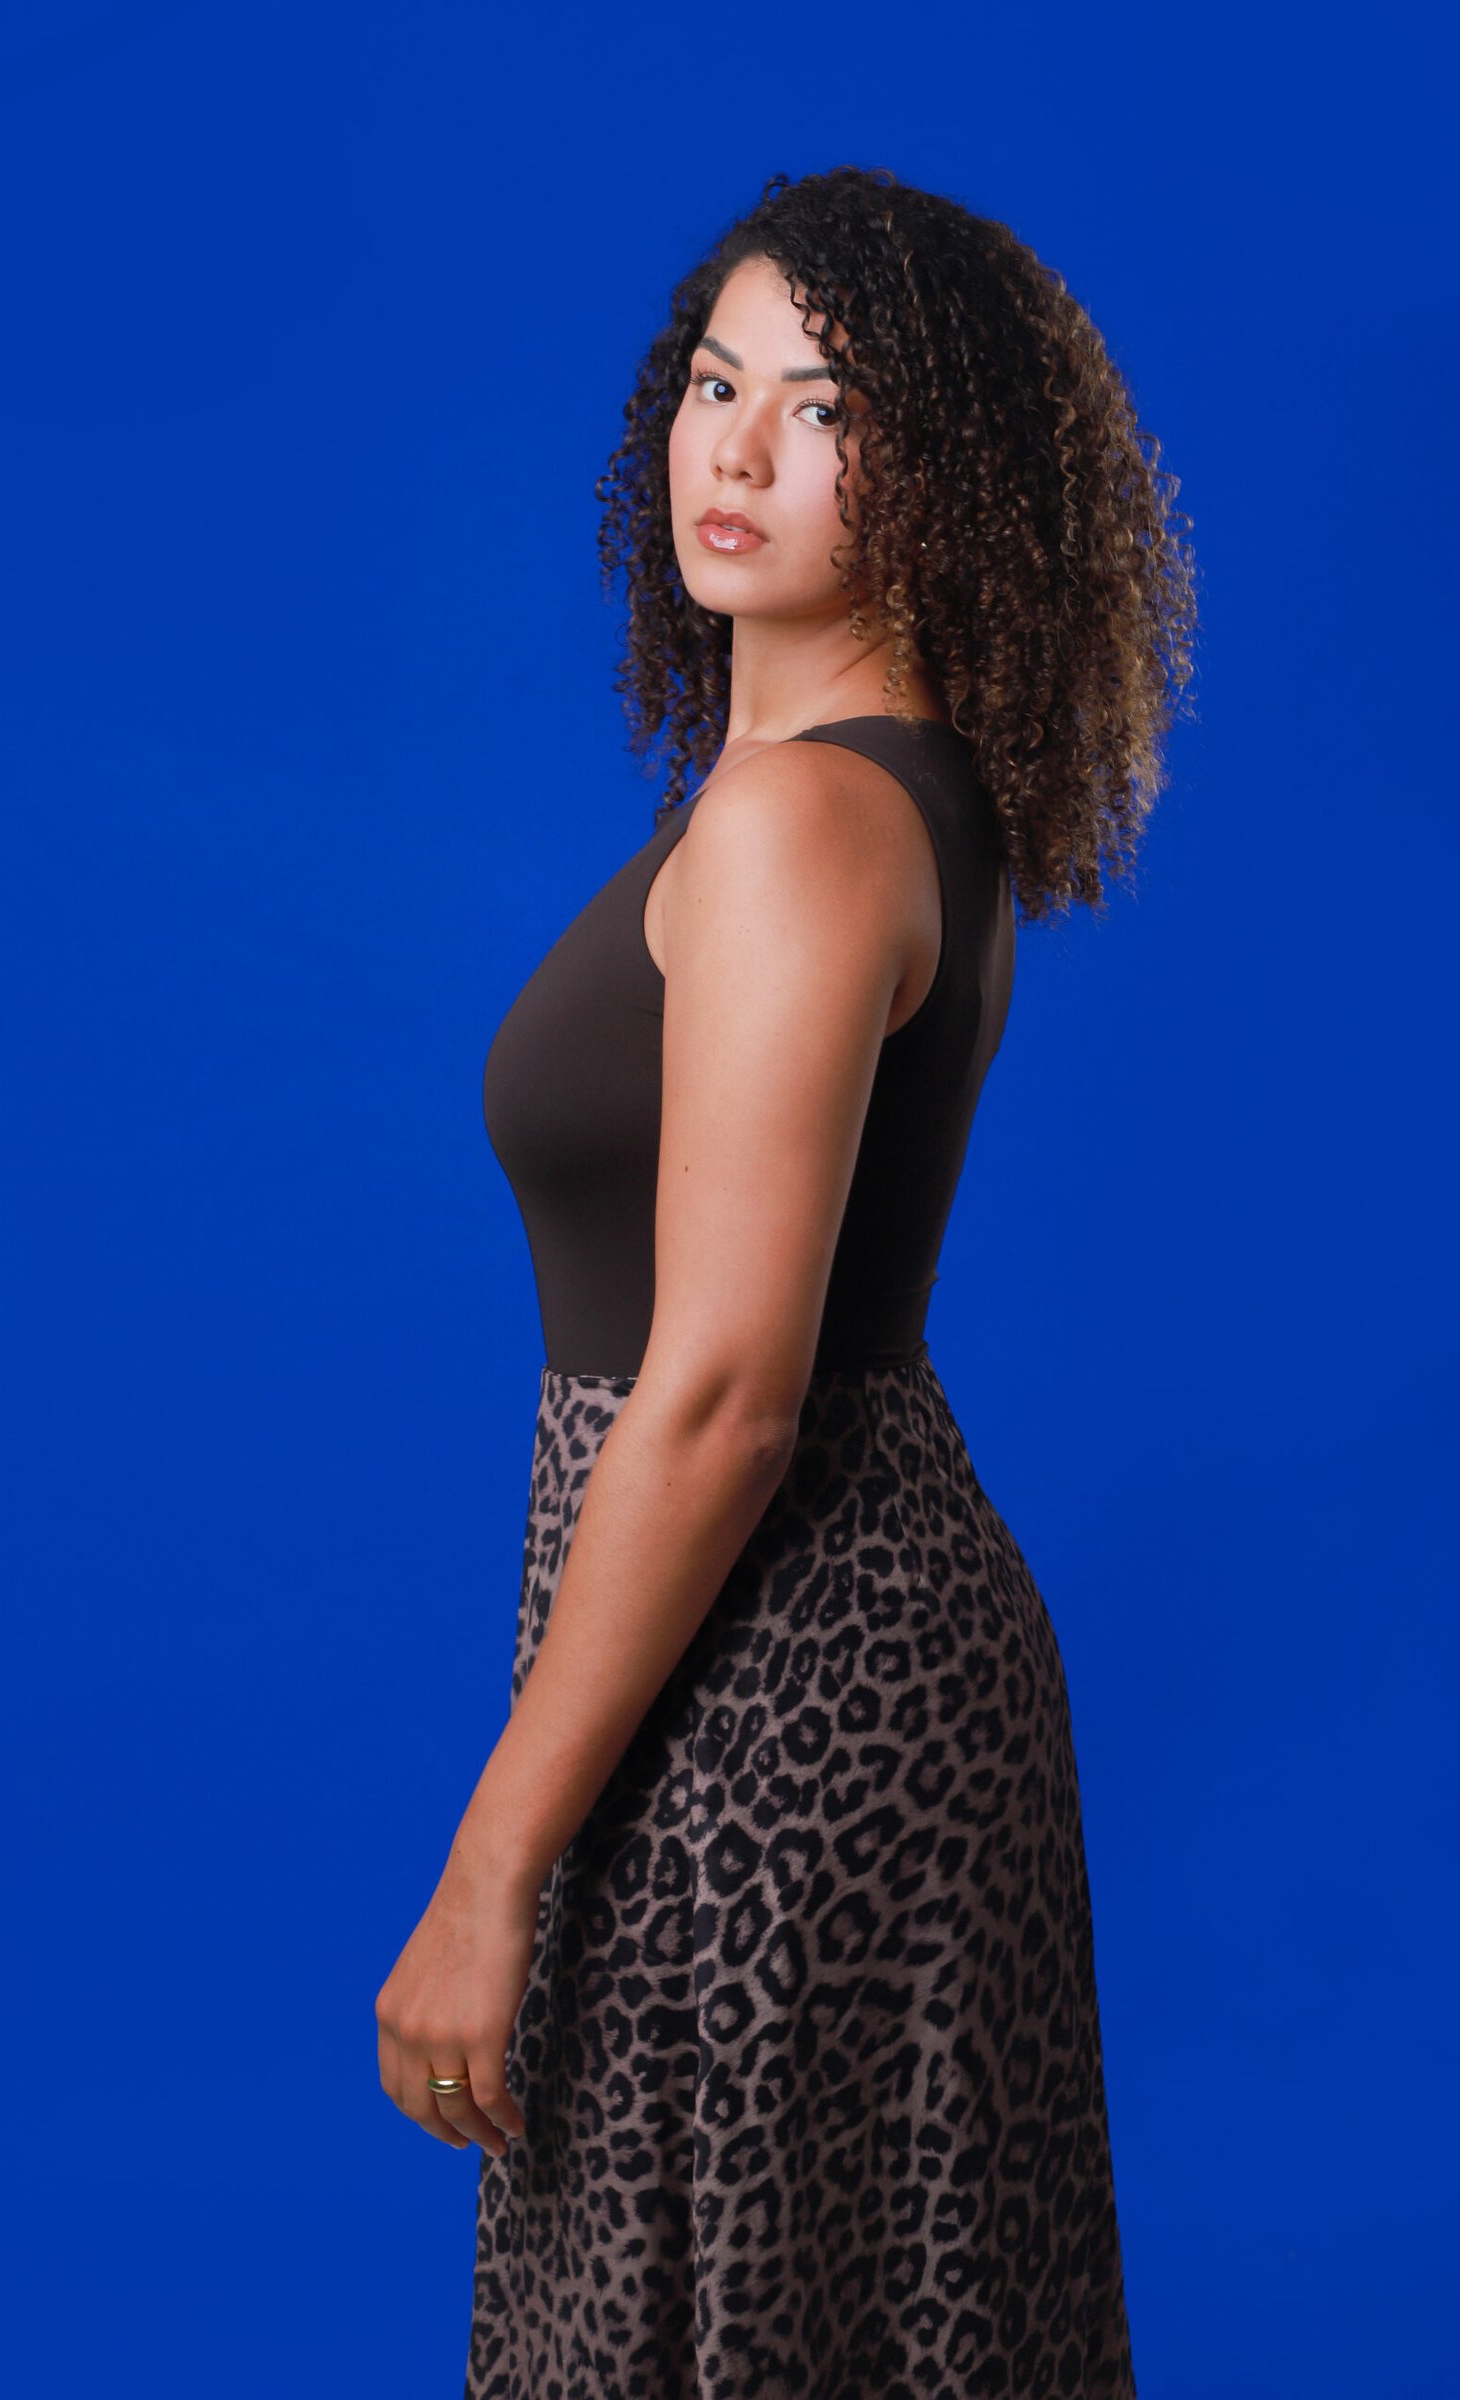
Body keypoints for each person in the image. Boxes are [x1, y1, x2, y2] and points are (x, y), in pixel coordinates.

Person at [375, 163, 1198, 2400]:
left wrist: (491, 1863)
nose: (733, 451)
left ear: (946, 473)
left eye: (823, 407)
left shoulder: (802, 825)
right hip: (790, 1670)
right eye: (714, 382)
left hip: (774, 1703)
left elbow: (731, 1389)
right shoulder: (867, 798)